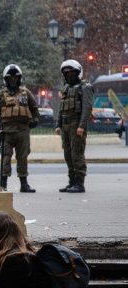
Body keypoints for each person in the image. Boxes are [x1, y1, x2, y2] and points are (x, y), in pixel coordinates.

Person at [0, 64, 40, 193]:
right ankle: (3, 185)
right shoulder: (0, 94)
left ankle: (24, 184)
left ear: (19, 79)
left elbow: (34, 109)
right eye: (10, 78)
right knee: (5, 158)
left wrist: (35, 120)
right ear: (6, 79)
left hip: (23, 131)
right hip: (6, 132)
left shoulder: (26, 93)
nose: (13, 80)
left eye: (16, 78)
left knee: (23, 158)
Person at [55, 60, 94, 193]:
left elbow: (87, 108)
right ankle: (72, 182)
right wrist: (58, 125)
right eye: (67, 73)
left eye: (72, 72)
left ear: (78, 73)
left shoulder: (85, 87)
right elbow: (61, 108)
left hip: (76, 124)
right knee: (68, 155)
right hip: (66, 125)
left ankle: (80, 183)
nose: (69, 75)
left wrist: (82, 126)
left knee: (77, 154)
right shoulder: (66, 88)